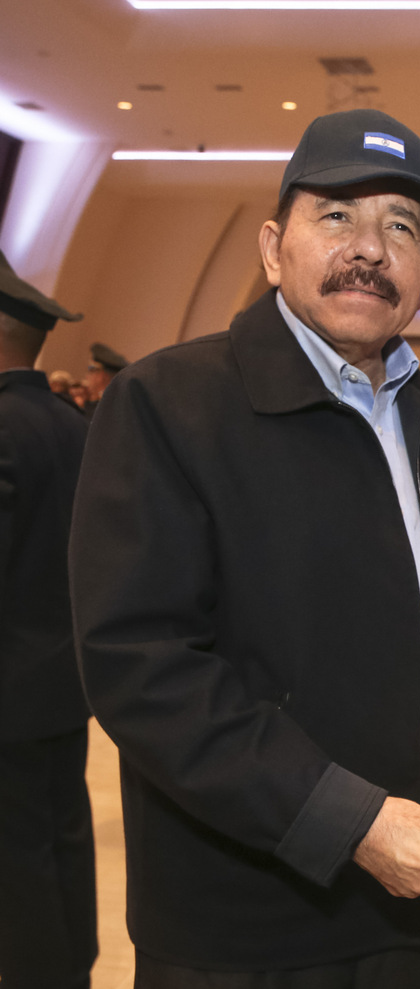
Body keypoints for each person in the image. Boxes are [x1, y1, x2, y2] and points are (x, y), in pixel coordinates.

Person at [69, 108, 420, 988]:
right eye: (337, 216)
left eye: (403, 227)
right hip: (245, 928)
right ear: (275, 249)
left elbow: (362, 609)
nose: (371, 249)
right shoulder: (168, 403)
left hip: (415, 908)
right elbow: (141, 665)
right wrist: (348, 820)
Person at [0, 252, 96, 989]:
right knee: (64, 835)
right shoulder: (71, 421)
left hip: (8, 682)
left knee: (15, 856)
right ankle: (70, 969)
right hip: (64, 674)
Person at [81, 342, 127, 417]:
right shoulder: (92, 403)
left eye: (91, 370)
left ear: (102, 376)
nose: (86, 376)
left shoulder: (107, 408)